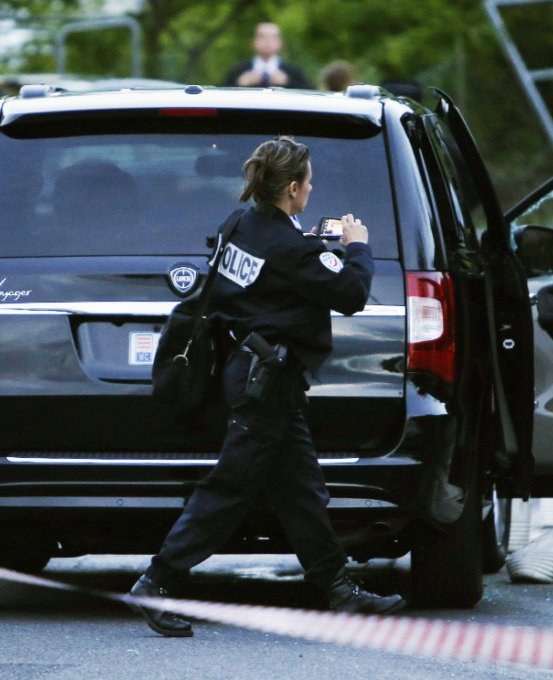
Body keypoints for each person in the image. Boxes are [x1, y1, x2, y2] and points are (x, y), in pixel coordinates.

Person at [128, 136, 405, 638]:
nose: (312, 189)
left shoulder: (240, 225)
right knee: (230, 488)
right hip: (265, 382)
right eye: (309, 183)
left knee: (300, 490)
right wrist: (356, 246)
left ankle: (338, 589)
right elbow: (350, 293)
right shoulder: (292, 249)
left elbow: (268, 277)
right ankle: (158, 581)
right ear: (293, 188)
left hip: (252, 373)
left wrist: (315, 249)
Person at [223, 22, 313, 89]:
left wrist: (288, 82)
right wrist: (239, 84)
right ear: (253, 42)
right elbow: (220, 93)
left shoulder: (292, 71)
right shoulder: (239, 70)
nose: (267, 41)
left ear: (280, 43)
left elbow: (312, 93)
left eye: (273, 37)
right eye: (262, 36)